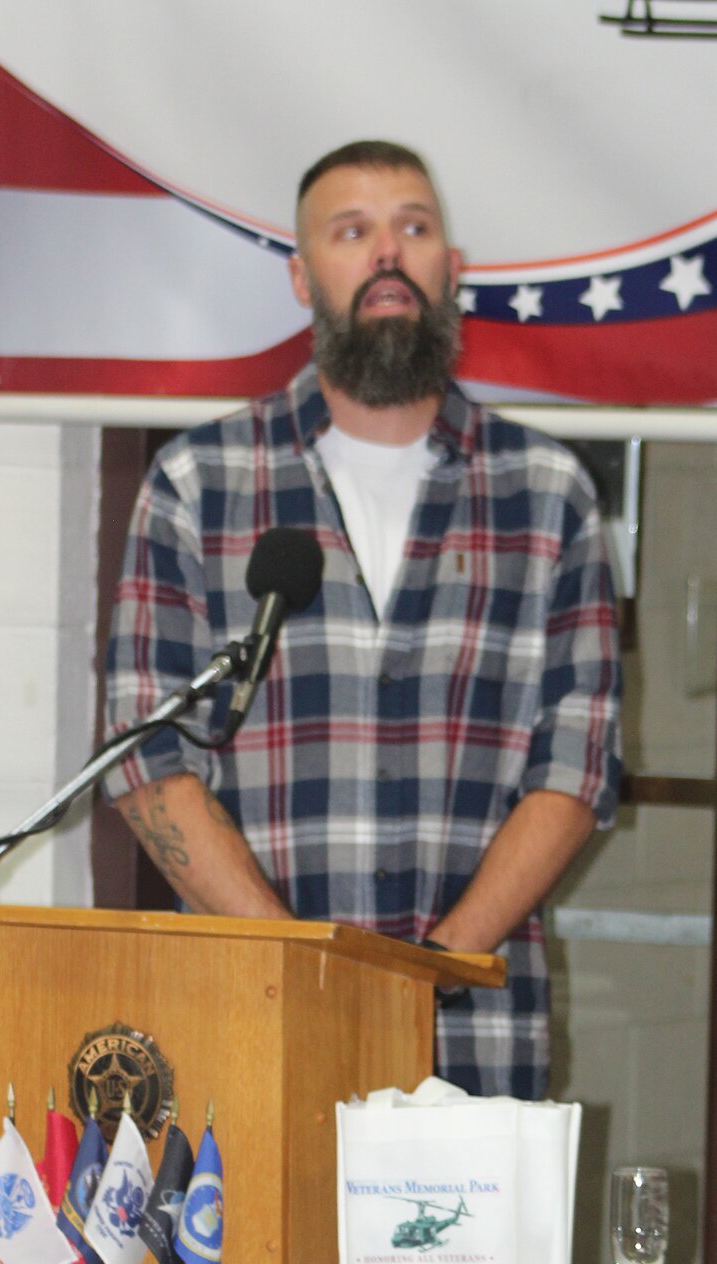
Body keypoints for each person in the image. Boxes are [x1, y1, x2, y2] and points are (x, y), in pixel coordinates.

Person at [104, 140, 621, 1100]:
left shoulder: (549, 497)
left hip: (472, 1034)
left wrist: (424, 977)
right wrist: (301, 965)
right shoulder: (196, 485)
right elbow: (145, 760)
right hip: (248, 1020)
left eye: (413, 230)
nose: (388, 254)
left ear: (450, 270)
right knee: (255, 1257)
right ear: (304, 277)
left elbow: (577, 764)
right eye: (353, 232)